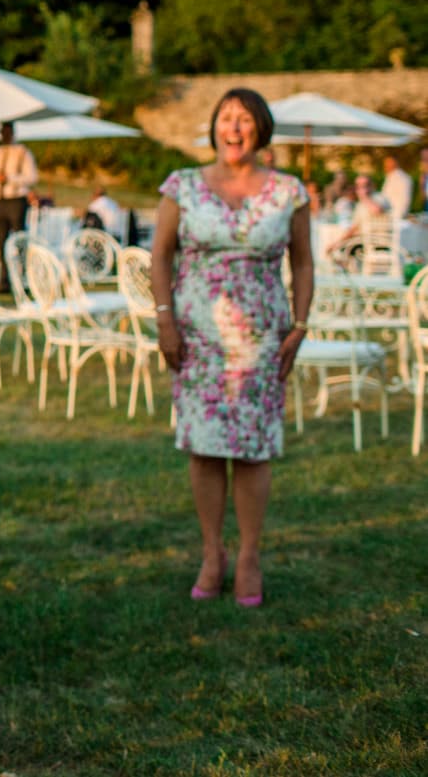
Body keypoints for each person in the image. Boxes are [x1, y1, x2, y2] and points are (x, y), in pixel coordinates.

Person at [151, 88, 312, 609]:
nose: (234, 128)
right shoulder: (183, 185)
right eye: (226, 118)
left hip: (262, 339)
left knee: (252, 448)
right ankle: (210, 553)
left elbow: (304, 263)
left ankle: (248, 556)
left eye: (244, 120)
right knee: (203, 445)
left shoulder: (288, 191)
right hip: (196, 337)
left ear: (260, 128)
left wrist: (301, 323)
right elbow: (161, 257)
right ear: (214, 126)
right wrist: (164, 321)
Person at [0, 123, 37, 291]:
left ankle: (23, 279)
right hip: (0, 201)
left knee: (19, 241)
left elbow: (31, 177)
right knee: (1, 243)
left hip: (17, 199)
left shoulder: (22, 152)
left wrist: (10, 178)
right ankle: (4, 280)